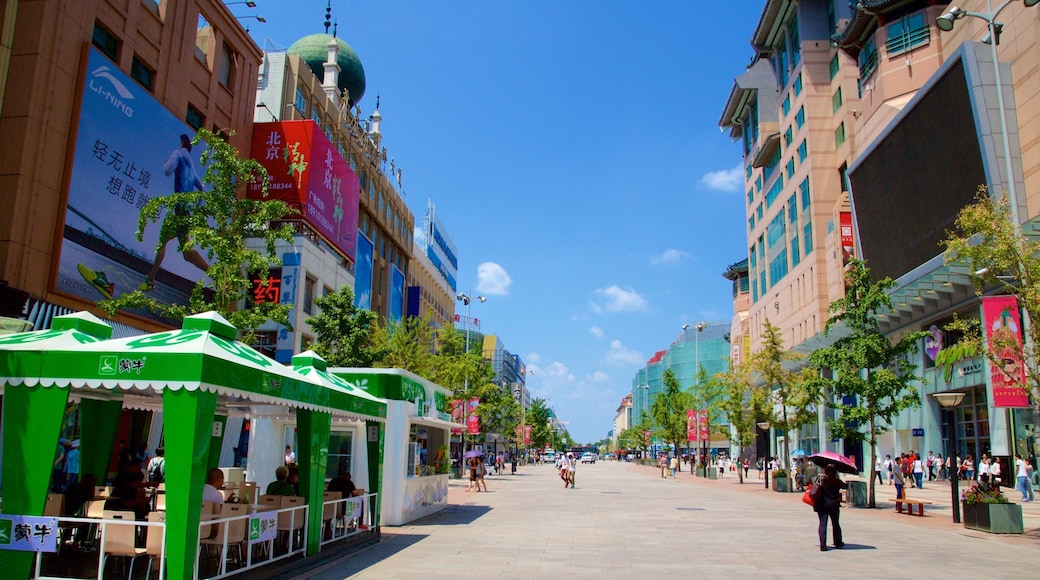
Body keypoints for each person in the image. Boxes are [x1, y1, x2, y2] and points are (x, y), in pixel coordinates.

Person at [141, 134, 208, 291]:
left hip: (177, 211)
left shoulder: (178, 154)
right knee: (187, 253)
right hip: (186, 215)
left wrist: (166, 164)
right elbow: (203, 189)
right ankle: (212, 272)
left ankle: (150, 279)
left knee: (162, 243)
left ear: (181, 144)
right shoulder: (192, 170)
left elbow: (167, 170)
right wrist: (196, 208)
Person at [814, 464, 847, 551]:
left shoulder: (822, 480)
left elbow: (814, 488)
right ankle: (838, 542)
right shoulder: (837, 481)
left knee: (822, 524)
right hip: (834, 505)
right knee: (835, 523)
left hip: (822, 505)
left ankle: (823, 545)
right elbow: (846, 486)